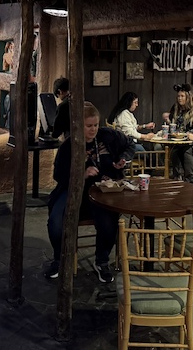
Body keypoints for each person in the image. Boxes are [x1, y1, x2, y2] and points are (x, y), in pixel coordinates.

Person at [44, 101, 135, 282]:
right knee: (55, 221)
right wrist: (82, 174)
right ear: (79, 125)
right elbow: (58, 175)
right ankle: (59, 259)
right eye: (88, 126)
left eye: (95, 125)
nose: (93, 129)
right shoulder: (68, 145)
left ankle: (101, 261)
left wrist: (123, 159)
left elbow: (130, 144)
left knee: (108, 223)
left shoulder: (108, 136)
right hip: (72, 189)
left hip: (103, 191)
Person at [166, 83, 193, 182]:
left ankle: (190, 179)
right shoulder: (175, 108)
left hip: (192, 141)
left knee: (186, 150)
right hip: (178, 140)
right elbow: (172, 124)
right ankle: (177, 177)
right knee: (174, 150)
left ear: (188, 97)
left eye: (182, 96)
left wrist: (192, 135)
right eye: (178, 96)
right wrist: (169, 123)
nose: (180, 98)